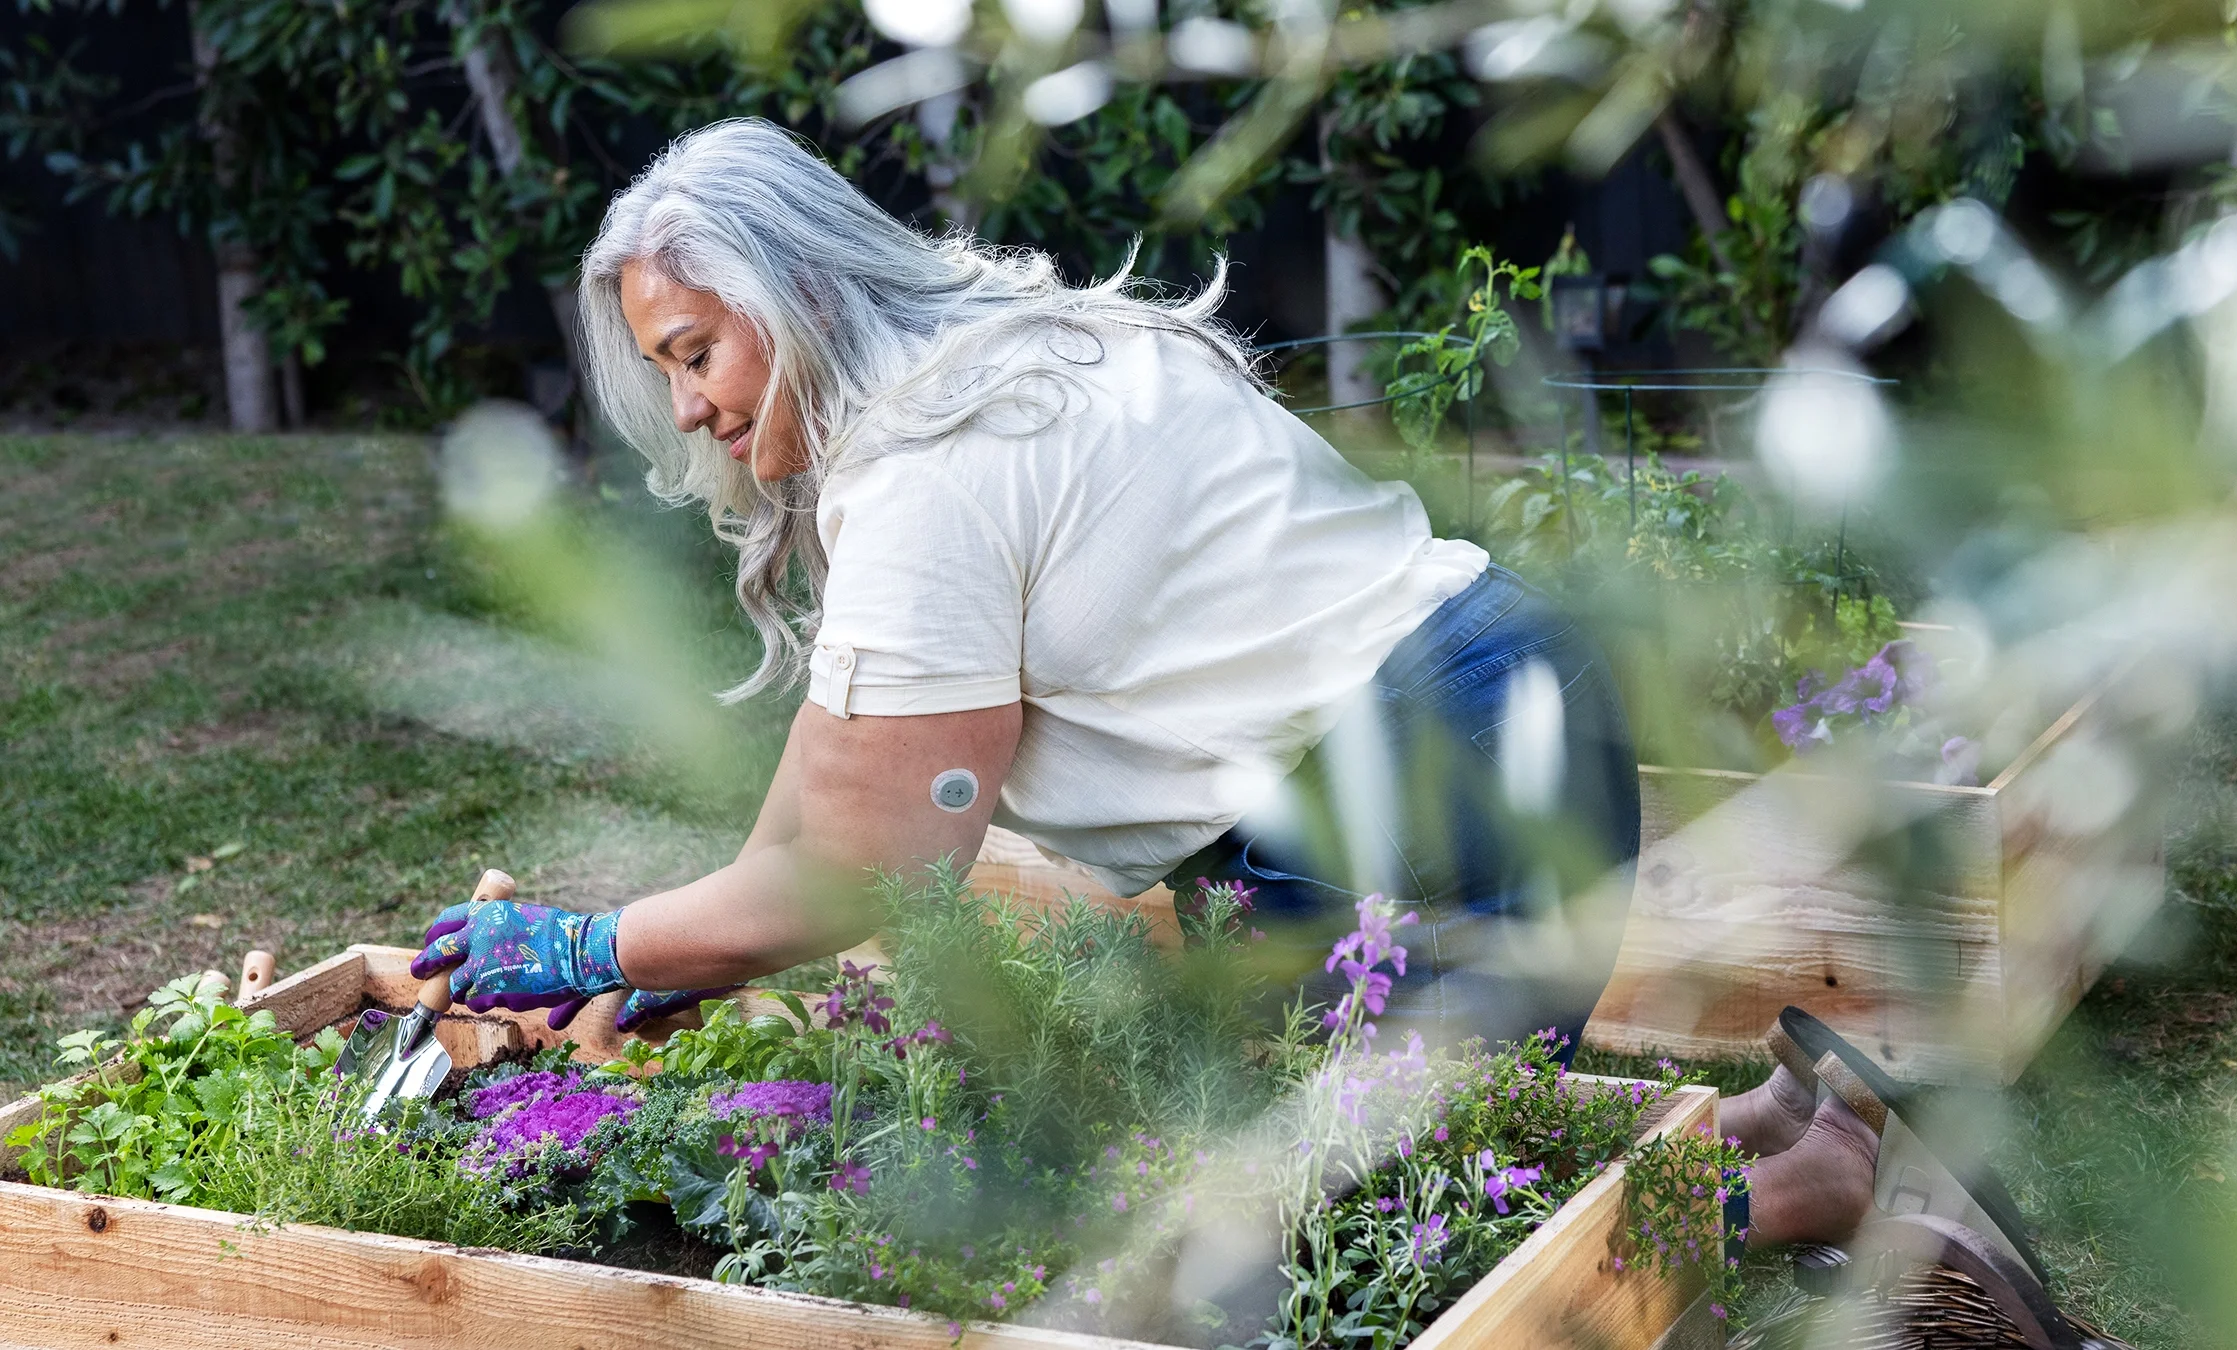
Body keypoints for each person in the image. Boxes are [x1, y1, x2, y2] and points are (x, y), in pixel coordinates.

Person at [408, 116, 1877, 1247]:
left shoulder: (930, 475)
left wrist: (598, 941)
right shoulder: (996, 351)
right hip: (1473, 696)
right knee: (1409, 1148)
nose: (687, 407)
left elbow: (867, 869)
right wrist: (686, 943)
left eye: (696, 351)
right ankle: (1759, 1121)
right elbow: (838, 757)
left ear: (791, 295)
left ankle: (1817, 1188)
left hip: (1428, 776)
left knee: (1395, 1232)